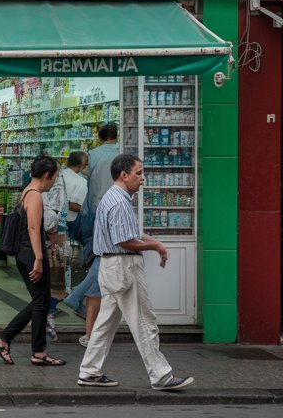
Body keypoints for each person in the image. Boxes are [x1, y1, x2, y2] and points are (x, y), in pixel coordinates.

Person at [77, 154, 193, 391]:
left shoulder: (113, 197)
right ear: (124, 175)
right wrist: (156, 246)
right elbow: (126, 241)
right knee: (144, 321)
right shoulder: (120, 202)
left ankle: (89, 371)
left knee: (105, 324)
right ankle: (161, 375)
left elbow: (132, 233)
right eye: (138, 173)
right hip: (123, 266)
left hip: (111, 266)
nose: (142, 178)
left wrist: (153, 242)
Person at [0, 155, 67, 367]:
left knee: (40, 301)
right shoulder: (34, 196)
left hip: (26, 253)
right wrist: (39, 258)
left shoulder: (26, 192)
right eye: (55, 177)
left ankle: (10, 342)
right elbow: (32, 228)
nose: (54, 182)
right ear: (47, 175)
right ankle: (29, 348)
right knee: (41, 302)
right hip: (31, 254)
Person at [64, 125, 121, 340]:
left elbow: (87, 179)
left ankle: (79, 301)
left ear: (99, 136)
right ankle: (78, 298)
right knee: (104, 258)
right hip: (114, 211)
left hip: (95, 210)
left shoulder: (92, 155)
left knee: (101, 257)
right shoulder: (123, 153)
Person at [44, 151, 89, 340]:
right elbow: (74, 205)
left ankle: (51, 311)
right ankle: (55, 307)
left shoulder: (58, 178)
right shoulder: (81, 182)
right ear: (81, 164)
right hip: (63, 230)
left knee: (55, 275)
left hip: (54, 234)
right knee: (59, 273)